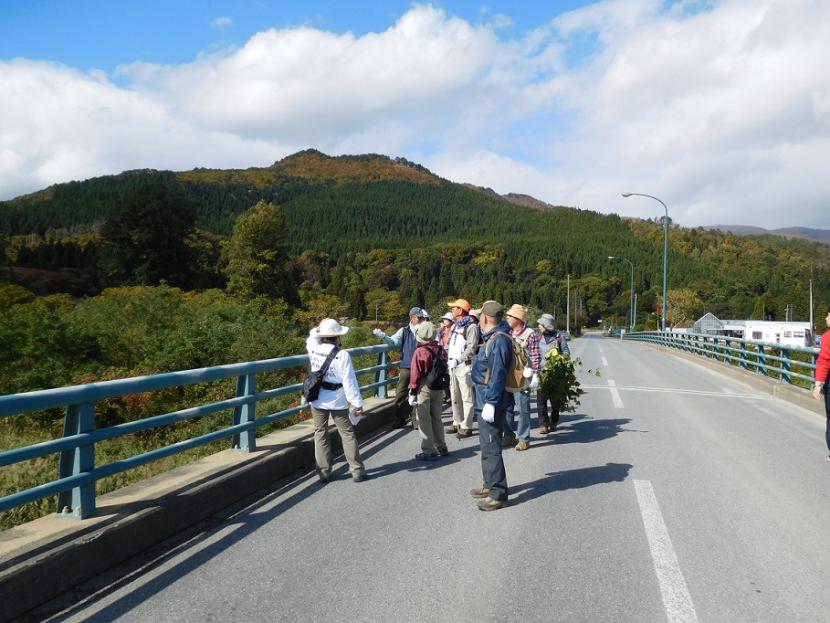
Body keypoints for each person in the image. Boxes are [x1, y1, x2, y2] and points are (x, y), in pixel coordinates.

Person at [306, 318, 366, 483]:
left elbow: (311, 338)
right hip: (338, 400)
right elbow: (349, 382)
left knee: (320, 434)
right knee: (347, 434)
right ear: (337, 336)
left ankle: (324, 472)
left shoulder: (314, 349)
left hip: (317, 400)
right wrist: (357, 403)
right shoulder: (342, 355)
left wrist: (317, 328)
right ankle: (357, 470)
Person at [470, 300, 513, 511]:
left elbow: (498, 374)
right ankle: (489, 483)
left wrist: (492, 403)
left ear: (485, 318)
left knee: (492, 447)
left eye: (480, 317)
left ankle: (498, 493)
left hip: (489, 399)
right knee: (486, 446)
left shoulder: (499, 341)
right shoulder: (493, 338)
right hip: (484, 397)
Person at [373, 307, 427, 428]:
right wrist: (383, 336)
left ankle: (415, 420)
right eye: (419, 317)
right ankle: (399, 419)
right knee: (400, 392)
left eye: (422, 317)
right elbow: (394, 342)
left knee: (418, 393)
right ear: (412, 318)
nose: (421, 319)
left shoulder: (425, 329)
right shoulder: (404, 331)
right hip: (406, 366)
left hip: (421, 366)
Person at [408, 322, 449, 461]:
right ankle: (441, 446)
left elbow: (415, 374)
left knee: (424, 419)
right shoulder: (441, 349)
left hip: (424, 386)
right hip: (439, 386)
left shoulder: (420, 352)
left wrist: (413, 392)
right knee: (437, 417)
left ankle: (428, 450)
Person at [503, 304, 541, 451]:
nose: (507, 318)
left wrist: (536, 374)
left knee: (523, 408)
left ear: (518, 318)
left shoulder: (530, 334)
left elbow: (536, 356)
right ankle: (508, 434)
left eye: (510, 316)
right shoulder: (507, 332)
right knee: (506, 407)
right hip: (507, 374)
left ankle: (524, 438)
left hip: (523, 375)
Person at [445, 298, 479, 439]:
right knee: (454, 394)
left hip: (464, 365)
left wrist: (459, 359)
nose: (452, 310)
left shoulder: (471, 326)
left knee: (466, 397)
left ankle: (466, 425)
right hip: (452, 365)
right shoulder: (455, 326)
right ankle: (457, 420)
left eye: (454, 308)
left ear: (460, 310)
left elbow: (472, 347)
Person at [536, 313, 571, 434]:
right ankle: (543, 424)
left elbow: (566, 353)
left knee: (555, 401)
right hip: (541, 373)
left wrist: (557, 359)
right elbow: (534, 354)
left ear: (547, 326)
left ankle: (554, 421)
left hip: (556, 375)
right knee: (541, 400)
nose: (539, 326)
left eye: (540, 324)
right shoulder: (538, 337)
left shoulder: (559, 337)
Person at [812, 307, 830, 461]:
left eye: (828, 315)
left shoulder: (828, 337)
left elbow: (824, 361)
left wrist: (818, 385)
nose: (826, 319)